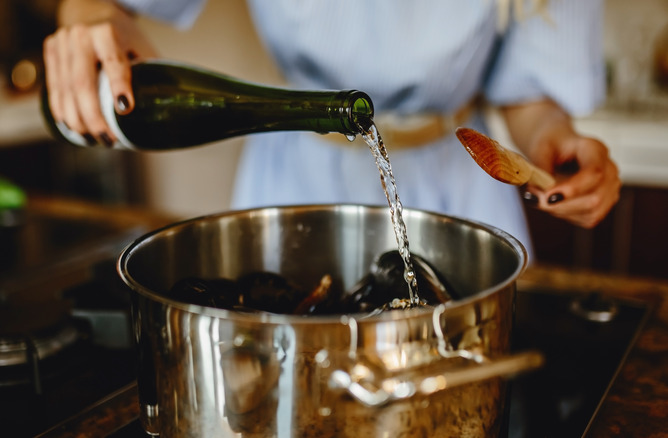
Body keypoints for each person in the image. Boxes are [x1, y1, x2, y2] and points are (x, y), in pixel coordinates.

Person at [42, 0, 621, 258]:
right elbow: (99, 5)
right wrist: (88, 21)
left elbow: (529, 94)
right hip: (297, 176)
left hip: (458, 189)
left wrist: (551, 140)